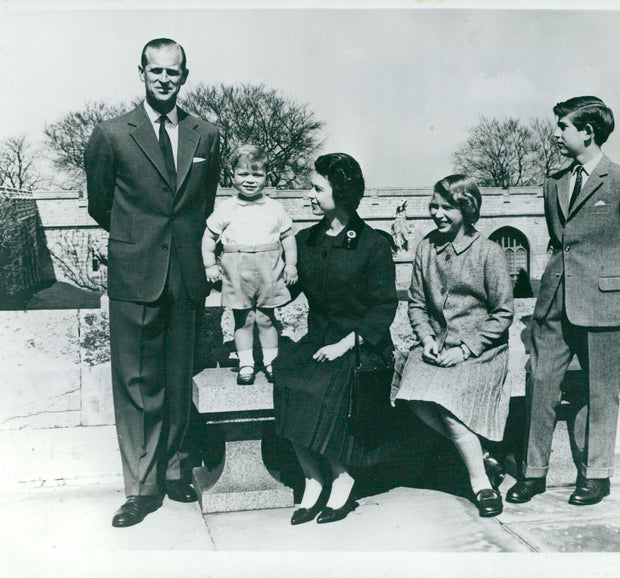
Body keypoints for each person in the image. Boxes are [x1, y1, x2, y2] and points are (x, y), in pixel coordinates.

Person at [85, 38, 221, 527]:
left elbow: (202, 205)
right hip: (135, 273)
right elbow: (101, 204)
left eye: (174, 72)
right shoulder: (111, 134)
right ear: (141, 72)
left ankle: (177, 469)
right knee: (136, 383)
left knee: (179, 377)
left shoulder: (206, 134)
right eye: (156, 71)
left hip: (186, 274)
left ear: (185, 76)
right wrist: (140, 241)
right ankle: (141, 488)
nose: (165, 79)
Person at [506, 96, 620, 506]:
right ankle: (533, 472)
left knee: (600, 393)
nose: (556, 134)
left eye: (563, 127)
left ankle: (596, 475)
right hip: (554, 304)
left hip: (607, 306)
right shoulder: (553, 183)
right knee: (541, 385)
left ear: (587, 132)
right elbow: (561, 243)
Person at [273, 153, 399, 525]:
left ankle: (342, 477)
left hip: (361, 346)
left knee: (321, 386)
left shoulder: (372, 244)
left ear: (341, 192)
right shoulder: (305, 240)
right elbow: (285, 292)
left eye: (316, 188)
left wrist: (345, 344)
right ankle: (312, 479)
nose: (308, 195)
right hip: (318, 340)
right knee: (285, 374)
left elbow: (383, 309)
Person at [393, 174, 514, 518]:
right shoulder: (425, 247)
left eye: (446, 207)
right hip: (436, 347)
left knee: (447, 405)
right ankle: (486, 457)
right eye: (434, 205)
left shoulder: (488, 252)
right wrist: (427, 338)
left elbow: (503, 312)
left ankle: (481, 484)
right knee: (412, 397)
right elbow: (416, 303)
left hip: (481, 353)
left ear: (467, 208)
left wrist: (466, 349)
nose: (437, 213)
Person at [201, 145, 298, 385]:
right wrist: (210, 265)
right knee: (242, 319)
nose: (250, 180)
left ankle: (271, 362)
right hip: (236, 268)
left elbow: (288, 237)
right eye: (244, 174)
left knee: (266, 318)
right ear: (232, 175)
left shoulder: (275, 208)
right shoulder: (226, 208)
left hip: (268, 267)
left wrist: (291, 265)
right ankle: (246, 364)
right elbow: (209, 238)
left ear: (266, 176)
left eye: (257, 174)